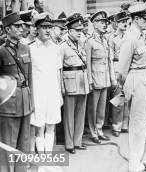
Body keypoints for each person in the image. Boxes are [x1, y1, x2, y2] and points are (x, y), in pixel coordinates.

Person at [117, 4, 146, 171]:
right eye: (145, 19)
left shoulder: (141, 36)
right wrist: (123, 89)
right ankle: (135, 163)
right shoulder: (130, 38)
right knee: (138, 124)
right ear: (136, 19)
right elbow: (121, 69)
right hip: (136, 78)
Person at [0, 12, 34, 172]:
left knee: (23, 143)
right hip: (8, 106)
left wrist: (31, 100)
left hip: (25, 102)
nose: (21, 29)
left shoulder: (25, 48)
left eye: (22, 26)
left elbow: (30, 77)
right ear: (7, 29)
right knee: (8, 145)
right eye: (17, 26)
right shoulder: (1, 51)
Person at [29, 13, 63, 153]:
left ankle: (47, 158)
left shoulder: (56, 48)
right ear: (37, 28)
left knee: (51, 125)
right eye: (43, 27)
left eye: (49, 27)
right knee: (39, 127)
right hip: (37, 93)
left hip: (53, 92)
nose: (47, 30)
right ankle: (41, 158)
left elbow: (58, 72)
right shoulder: (30, 48)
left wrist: (60, 93)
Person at [59, 13, 89, 154]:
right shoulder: (63, 46)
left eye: (80, 30)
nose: (79, 33)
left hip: (82, 81)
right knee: (69, 115)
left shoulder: (81, 43)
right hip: (70, 82)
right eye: (77, 31)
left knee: (80, 113)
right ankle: (69, 143)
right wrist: (61, 86)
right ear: (69, 31)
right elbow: (59, 69)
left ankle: (78, 141)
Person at [85, 10, 115, 143]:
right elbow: (87, 63)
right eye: (102, 22)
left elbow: (109, 61)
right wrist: (90, 81)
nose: (105, 25)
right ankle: (93, 132)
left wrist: (112, 78)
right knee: (93, 108)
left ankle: (100, 129)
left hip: (105, 78)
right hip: (95, 78)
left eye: (105, 22)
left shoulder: (105, 40)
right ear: (94, 24)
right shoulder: (89, 41)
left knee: (102, 108)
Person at [109, 11, 131, 136]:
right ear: (116, 23)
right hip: (117, 66)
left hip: (127, 67)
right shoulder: (112, 37)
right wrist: (113, 74)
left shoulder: (129, 36)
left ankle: (125, 124)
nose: (124, 24)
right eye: (121, 22)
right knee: (118, 98)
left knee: (126, 97)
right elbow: (110, 57)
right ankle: (116, 126)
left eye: (126, 22)